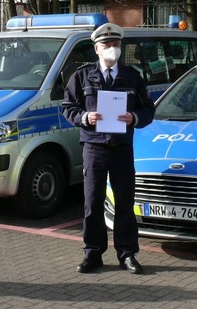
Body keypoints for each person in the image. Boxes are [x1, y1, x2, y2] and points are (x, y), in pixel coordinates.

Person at [62, 23, 155, 274]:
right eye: (106, 45)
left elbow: (148, 109)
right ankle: (93, 254)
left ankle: (127, 254)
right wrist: (85, 117)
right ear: (96, 49)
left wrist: (134, 117)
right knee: (92, 203)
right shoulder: (81, 76)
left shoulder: (133, 76)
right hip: (94, 147)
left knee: (125, 202)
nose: (111, 49)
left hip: (122, 147)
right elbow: (68, 107)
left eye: (115, 45)